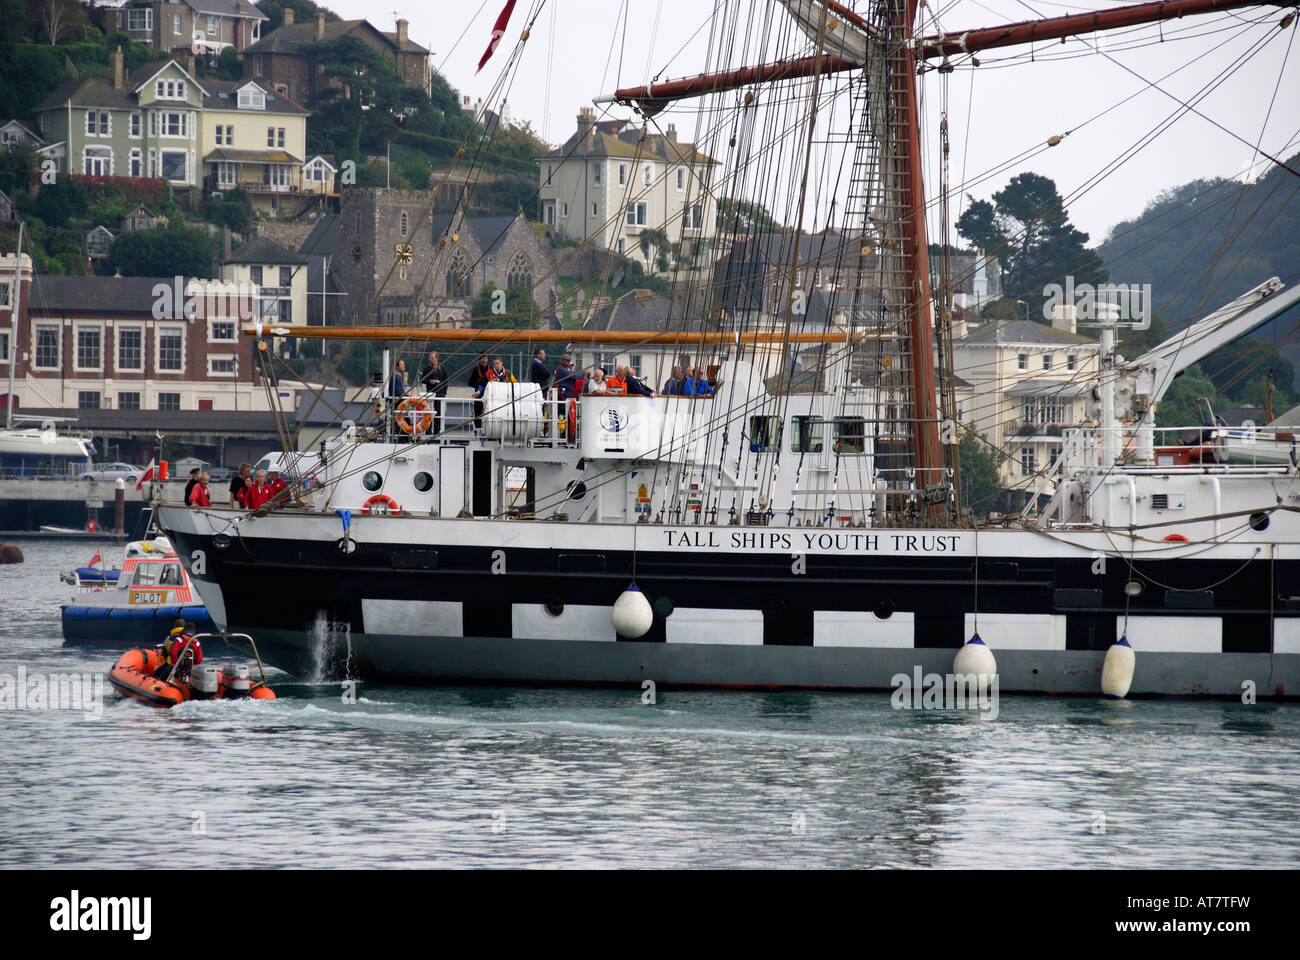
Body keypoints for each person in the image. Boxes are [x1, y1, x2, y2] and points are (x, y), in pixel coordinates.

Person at [419, 351, 448, 435]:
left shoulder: (442, 368)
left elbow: (446, 380)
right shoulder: (427, 368)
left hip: (440, 393)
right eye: (430, 358)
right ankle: (428, 431)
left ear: (437, 358)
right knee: (429, 413)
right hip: (430, 393)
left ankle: (437, 432)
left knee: (438, 413)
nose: (430, 359)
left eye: (432, 358)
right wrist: (429, 381)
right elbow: (422, 380)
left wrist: (444, 392)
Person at [468, 354, 492, 428]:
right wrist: (478, 386)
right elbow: (470, 382)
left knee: (489, 412)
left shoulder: (491, 369)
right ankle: (477, 429)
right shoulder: (476, 370)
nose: (484, 360)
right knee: (477, 412)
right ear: (480, 360)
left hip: (489, 394)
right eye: (483, 358)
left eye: (486, 358)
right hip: (478, 394)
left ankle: (488, 429)